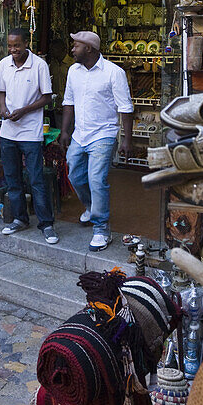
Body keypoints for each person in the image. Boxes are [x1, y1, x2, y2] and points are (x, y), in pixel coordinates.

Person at [60, 31, 134, 251]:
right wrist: (65, 131)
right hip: (80, 134)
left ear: (89, 49)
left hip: (103, 133)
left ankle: (101, 228)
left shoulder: (114, 73)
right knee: (74, 173)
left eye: (76, 46)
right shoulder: (73, 71)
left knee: (96, 179)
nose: (72, 50)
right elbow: (68, 102)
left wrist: (126, 140)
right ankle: (91, 207)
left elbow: (125, 108)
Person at [0, 27, 59, 244]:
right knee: (12, 178)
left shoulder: (39, 65)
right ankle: (20, 219)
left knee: (36, 179)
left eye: (17, 46)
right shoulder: (4, 64)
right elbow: (0, 92)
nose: (13, 50)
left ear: (26, 44)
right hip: (8, 130)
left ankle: (46, 224)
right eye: (10, 46)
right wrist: (3, 108)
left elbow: (47, 98)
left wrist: (24, 110)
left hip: (31, 132)